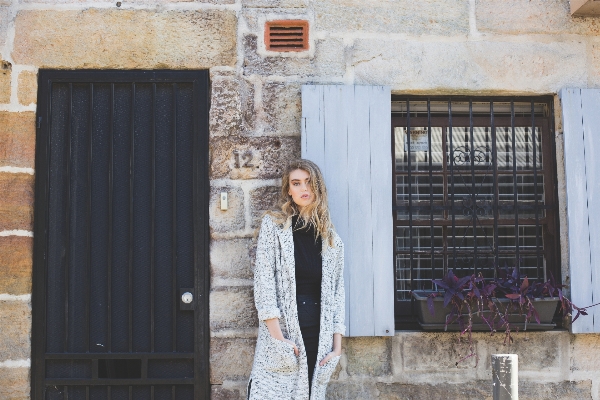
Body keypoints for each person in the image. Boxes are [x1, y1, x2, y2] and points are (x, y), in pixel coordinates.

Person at [247, 159, 346, 400]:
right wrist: (278, 337)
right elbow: (264, 282)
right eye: (297, 183)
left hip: (318, 334)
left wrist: (337, 347)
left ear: (318, 188)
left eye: (309, 183)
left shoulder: (331, 238)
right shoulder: (274, 226)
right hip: (284, 332)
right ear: (288, 190)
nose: (304, 189)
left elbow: (337, 292)